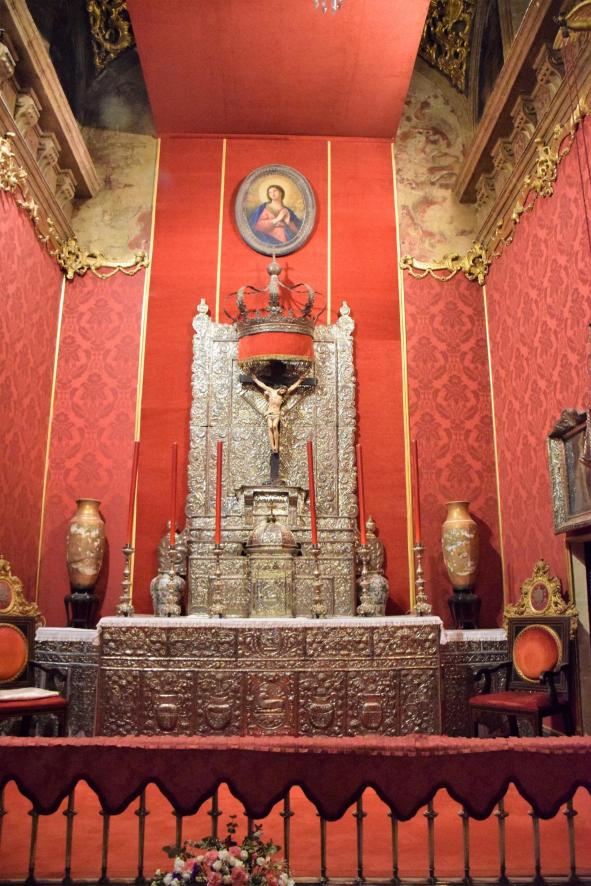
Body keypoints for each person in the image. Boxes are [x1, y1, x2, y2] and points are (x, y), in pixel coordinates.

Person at [250, 372, 306, 453]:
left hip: (276, 414)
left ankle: (276, 446)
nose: (283, 392)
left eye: (284, 391)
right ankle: (272, 446)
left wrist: (300, 380)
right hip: (269, 413)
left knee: (275, 426)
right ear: (280, 388)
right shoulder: (271, 391)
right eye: (282, 390)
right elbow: (263, 386)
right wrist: (255, 380)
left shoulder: (283, 395)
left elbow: (292, 387)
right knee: (270, 427)